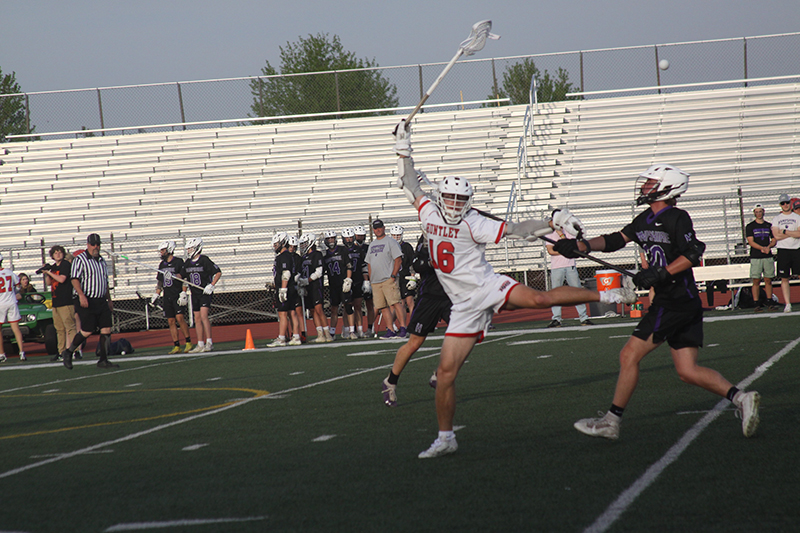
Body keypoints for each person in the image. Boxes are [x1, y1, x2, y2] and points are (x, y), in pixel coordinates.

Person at [392, 120, 635, 458]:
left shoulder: (474, 221)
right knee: (446, 374)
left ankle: (610, 295)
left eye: (460, 199)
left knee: (539, 297)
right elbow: (408, 182)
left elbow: (520, 229)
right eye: (449, 197)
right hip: (461, 304)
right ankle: (446, 438)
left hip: (486, 285)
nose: (453, 203)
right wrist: (403, 147)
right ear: (441, 196)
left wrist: (552, 221)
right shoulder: (428, 211)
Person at [553, 164, 761, 440]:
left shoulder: (677, 217)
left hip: (674, 301)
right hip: (681, 302)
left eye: (651, 183)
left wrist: (660, 273)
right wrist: (581, 247)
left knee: (628, 355)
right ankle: (741, 399)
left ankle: (611, 421)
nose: (644, 187)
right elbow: (617, 239)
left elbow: (694, 251)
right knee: (687, 371)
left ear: (667, 187)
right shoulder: (645, 219)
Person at [382, 235, 452, 407]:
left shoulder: (460, 231)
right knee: (414, 343)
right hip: (430, 297)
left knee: (463, 336)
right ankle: (390, 382)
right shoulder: (431, 234)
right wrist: (433, 262)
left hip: (452, 295)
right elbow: (417, 265)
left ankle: (440, 373)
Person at [61, 233, 117, 369]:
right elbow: (74, 279)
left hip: (101, 299)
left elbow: (105, 281)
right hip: (86, 299)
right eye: (93, 244)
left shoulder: (102, 261)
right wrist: (81, 295)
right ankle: (68, 352)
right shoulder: (80, 260)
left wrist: (109, 299)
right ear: (88, 245)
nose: (96, 247)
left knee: (106, 329)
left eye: (98, 244)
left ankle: (103, 360)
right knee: (87, 330)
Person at [366, 219, 407, 339]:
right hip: (375, 281)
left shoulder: (391, 242)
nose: (378, 230)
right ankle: (390, 329)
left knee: (396, 303)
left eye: (380, 227)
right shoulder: (372, 245)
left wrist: (393, 275)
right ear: (373, 230)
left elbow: (398, 259)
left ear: (384, 228)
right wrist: (370, 279)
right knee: (382, 306)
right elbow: (369, 263)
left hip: (388, 279)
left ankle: (403, 328)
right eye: (376, 228)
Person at [544, 227, 593, 327]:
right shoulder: (549, 233)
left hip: (570, 266)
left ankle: (584, 318)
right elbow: (550, 251)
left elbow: (573, 247)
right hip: (557, 267)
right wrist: (565, 250)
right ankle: (556, 319)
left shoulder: (569, 232)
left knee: (577, 291)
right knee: (556, 294)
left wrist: (562, 235)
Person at [180, 237, 221, 353]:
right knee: (196, 319)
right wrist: (183, 291)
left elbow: (218, 272)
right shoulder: (187, 263)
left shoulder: (204, 260)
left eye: (190, 248)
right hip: (194, 294)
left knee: (203, 316)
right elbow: (183, 278)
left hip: (204, 292)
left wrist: (211, 285)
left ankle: (209, 342)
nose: (188, 251)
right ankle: (200, 344)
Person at [152, 240, 193, 354]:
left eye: (163, 250)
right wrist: (157, 293)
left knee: (180, 318)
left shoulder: (179, 262)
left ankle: (188, 342)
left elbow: (184, 277)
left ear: (169, 250)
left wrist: (183, 293)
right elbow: (160, 281)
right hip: (167, 295)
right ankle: (176, 345)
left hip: (177, 294)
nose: (161, 253)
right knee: (170, 321)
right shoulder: (162, 265)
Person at [42, 245, 77, 358]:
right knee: (59, 329)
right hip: (56, 301)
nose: (58, 254)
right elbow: (49, 283)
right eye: (55, 253)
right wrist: (46, 273)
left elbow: (62, 279)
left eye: (60, 252)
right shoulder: (53, 267)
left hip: (65, 301)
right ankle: (61, 351)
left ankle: (75, 350)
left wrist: (50, 273)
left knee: (70, 327)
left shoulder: (65, 264)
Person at [268, 232, 302, 347]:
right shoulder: (290, 256)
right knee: (292, 312)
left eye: (276, 244)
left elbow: (286, 273)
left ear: (282, 243)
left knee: (283, 314)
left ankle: (281, 338)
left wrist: (283, 288)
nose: (275, 246)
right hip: (291, 287)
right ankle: (296, 336)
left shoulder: (283, 257)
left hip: (286, 287)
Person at [297, 233, 331, 343]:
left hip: (315, 286)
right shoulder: (303, 257)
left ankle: (327, 334)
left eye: (304, 244)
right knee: (312, 311)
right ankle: (320, 334)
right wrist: (301, 283)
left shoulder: (317, 254)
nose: (302, 246)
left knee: (319, 309)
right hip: (307, 288)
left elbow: (319, 272)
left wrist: (307, 280)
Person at [770, 193, 800, 313]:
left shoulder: (797, 217)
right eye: (783, 203)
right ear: (780, 205)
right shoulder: (777, 219)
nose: (785, 205)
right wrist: (791, 233)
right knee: (784, 278)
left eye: (787, 202)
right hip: (783, 250)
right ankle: (788, 303)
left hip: (797, 249)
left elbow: (799, 234)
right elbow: (776, 236)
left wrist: (785, 231)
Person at [323, 230, 354, 340]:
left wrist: (348, 280)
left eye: (332, 238)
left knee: (348, 307)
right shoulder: (325, 255)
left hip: (343, 283)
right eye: (329, 239)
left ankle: (351, 331)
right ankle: (332, 332)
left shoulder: (342, 250)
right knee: (334, 309)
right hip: (333, 285)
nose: (331, 241)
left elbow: (349, 265)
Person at [745, 204, 777, 311]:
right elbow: (750, 241)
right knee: (756, 280)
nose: (758, 214)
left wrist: (768, 247)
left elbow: (773, 240)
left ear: (763, 212)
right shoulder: (750, 226)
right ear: (754, 213)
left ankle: (769, 301)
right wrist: (762, 248)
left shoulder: (768, 225)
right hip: (756, 256)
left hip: (767, 256)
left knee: (768, 280)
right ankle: (756, 303)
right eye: (756, 212)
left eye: (760, 211)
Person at [0, 252, 26, 362]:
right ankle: (22, 352)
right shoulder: (9, 272)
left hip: (0, 303)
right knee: (16, 328)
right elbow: (18, 284)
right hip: (11, 301)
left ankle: (2, 354)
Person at [343, 227, 367, 339]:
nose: (348, 240)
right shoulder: (342, 251)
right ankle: (347, 329)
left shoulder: (359, 250)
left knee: (358, 306)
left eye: (350, 237)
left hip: (357, 280)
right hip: (346, 282)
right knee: (347, 306)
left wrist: (366, 280)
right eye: (346, 238)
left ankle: (360, 329)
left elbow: (363, 266)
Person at [390, 224, 417, 320]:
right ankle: (395, 324)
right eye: (394, 235)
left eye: (398, 235)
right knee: (399, 303)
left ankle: (413, 323)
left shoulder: (407, 247)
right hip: (395, 277)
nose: (396, 237)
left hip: (406, 277)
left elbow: (412, 263)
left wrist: (413, 277)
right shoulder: (389, 247)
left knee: (410, 301)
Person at [354, 225, 376, 336]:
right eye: (358, 236)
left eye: (362, 236)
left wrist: (368, 279)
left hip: (369, 277)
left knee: (370, 304)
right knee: (356, 304)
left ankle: (370, 328)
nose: (360, 238)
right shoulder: (351, 249)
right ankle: (358, 329)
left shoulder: (368, 247)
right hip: (356, 278)